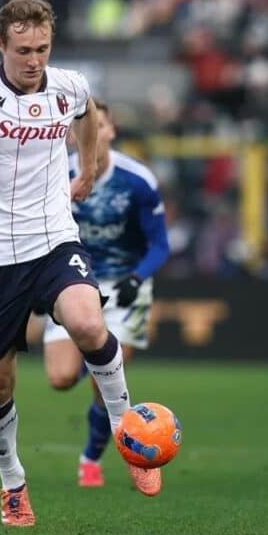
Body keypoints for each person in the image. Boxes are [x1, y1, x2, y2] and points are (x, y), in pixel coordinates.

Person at [0, 0, 159, 528]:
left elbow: (87, 113)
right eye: (23, 50)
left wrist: (86, 170)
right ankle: (13, 484)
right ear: (1, 44)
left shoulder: (68, 85)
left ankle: (129, 434)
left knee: (88, 322)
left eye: (42, 48)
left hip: (53, 240)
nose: (34, 60)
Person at [41, 99, 169, 487]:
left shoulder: (137, 181)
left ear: (111, 131)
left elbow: (160, 245)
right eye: (83, 126)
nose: (92, 133)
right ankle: (94, 357)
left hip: (126, 284)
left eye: (99, 125)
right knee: (61, 378)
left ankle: (92, 458)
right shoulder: (53, 174)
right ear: (70, 134)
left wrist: (138, 278)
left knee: (104, 381)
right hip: (71, 281)